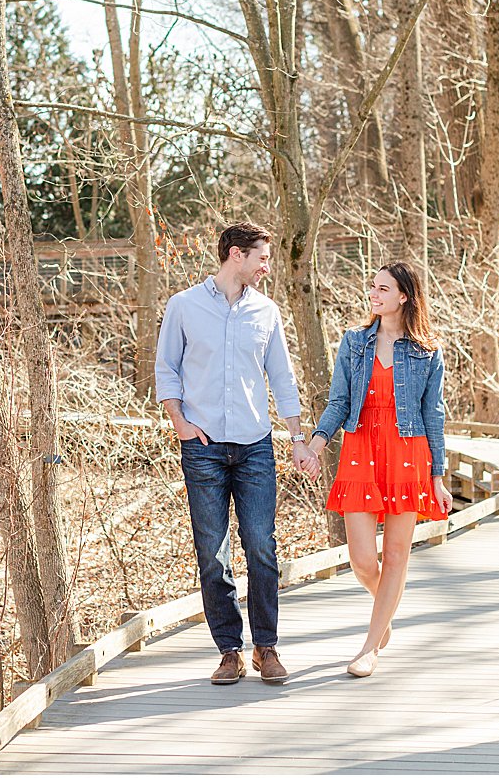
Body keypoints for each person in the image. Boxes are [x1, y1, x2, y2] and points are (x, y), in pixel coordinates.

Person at [155, 222, 310, 686]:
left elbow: (282, 378)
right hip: (201, 449)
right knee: (211, 553)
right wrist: (180, 423)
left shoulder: (267, 312)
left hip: (255, 446)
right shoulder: (184, 306)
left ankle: (266, 646)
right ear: (236, 255)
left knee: (262, 546)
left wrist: (298, 436)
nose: (267, 267)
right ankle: (229, 651)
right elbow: (166, 369)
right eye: (262, 258)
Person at [305, 261, 453, 678]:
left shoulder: (427, 351)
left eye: (383, 288)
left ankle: (370, 647)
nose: (374, 293)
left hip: (408, 452)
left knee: (396, 555)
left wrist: (437, 476)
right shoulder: (354, 343)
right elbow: (337, 401)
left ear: (404, 296)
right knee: (363, 560)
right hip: (360, 448)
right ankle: (384, 614)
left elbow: (433, 415)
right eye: (372, 287)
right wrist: (317, 445)